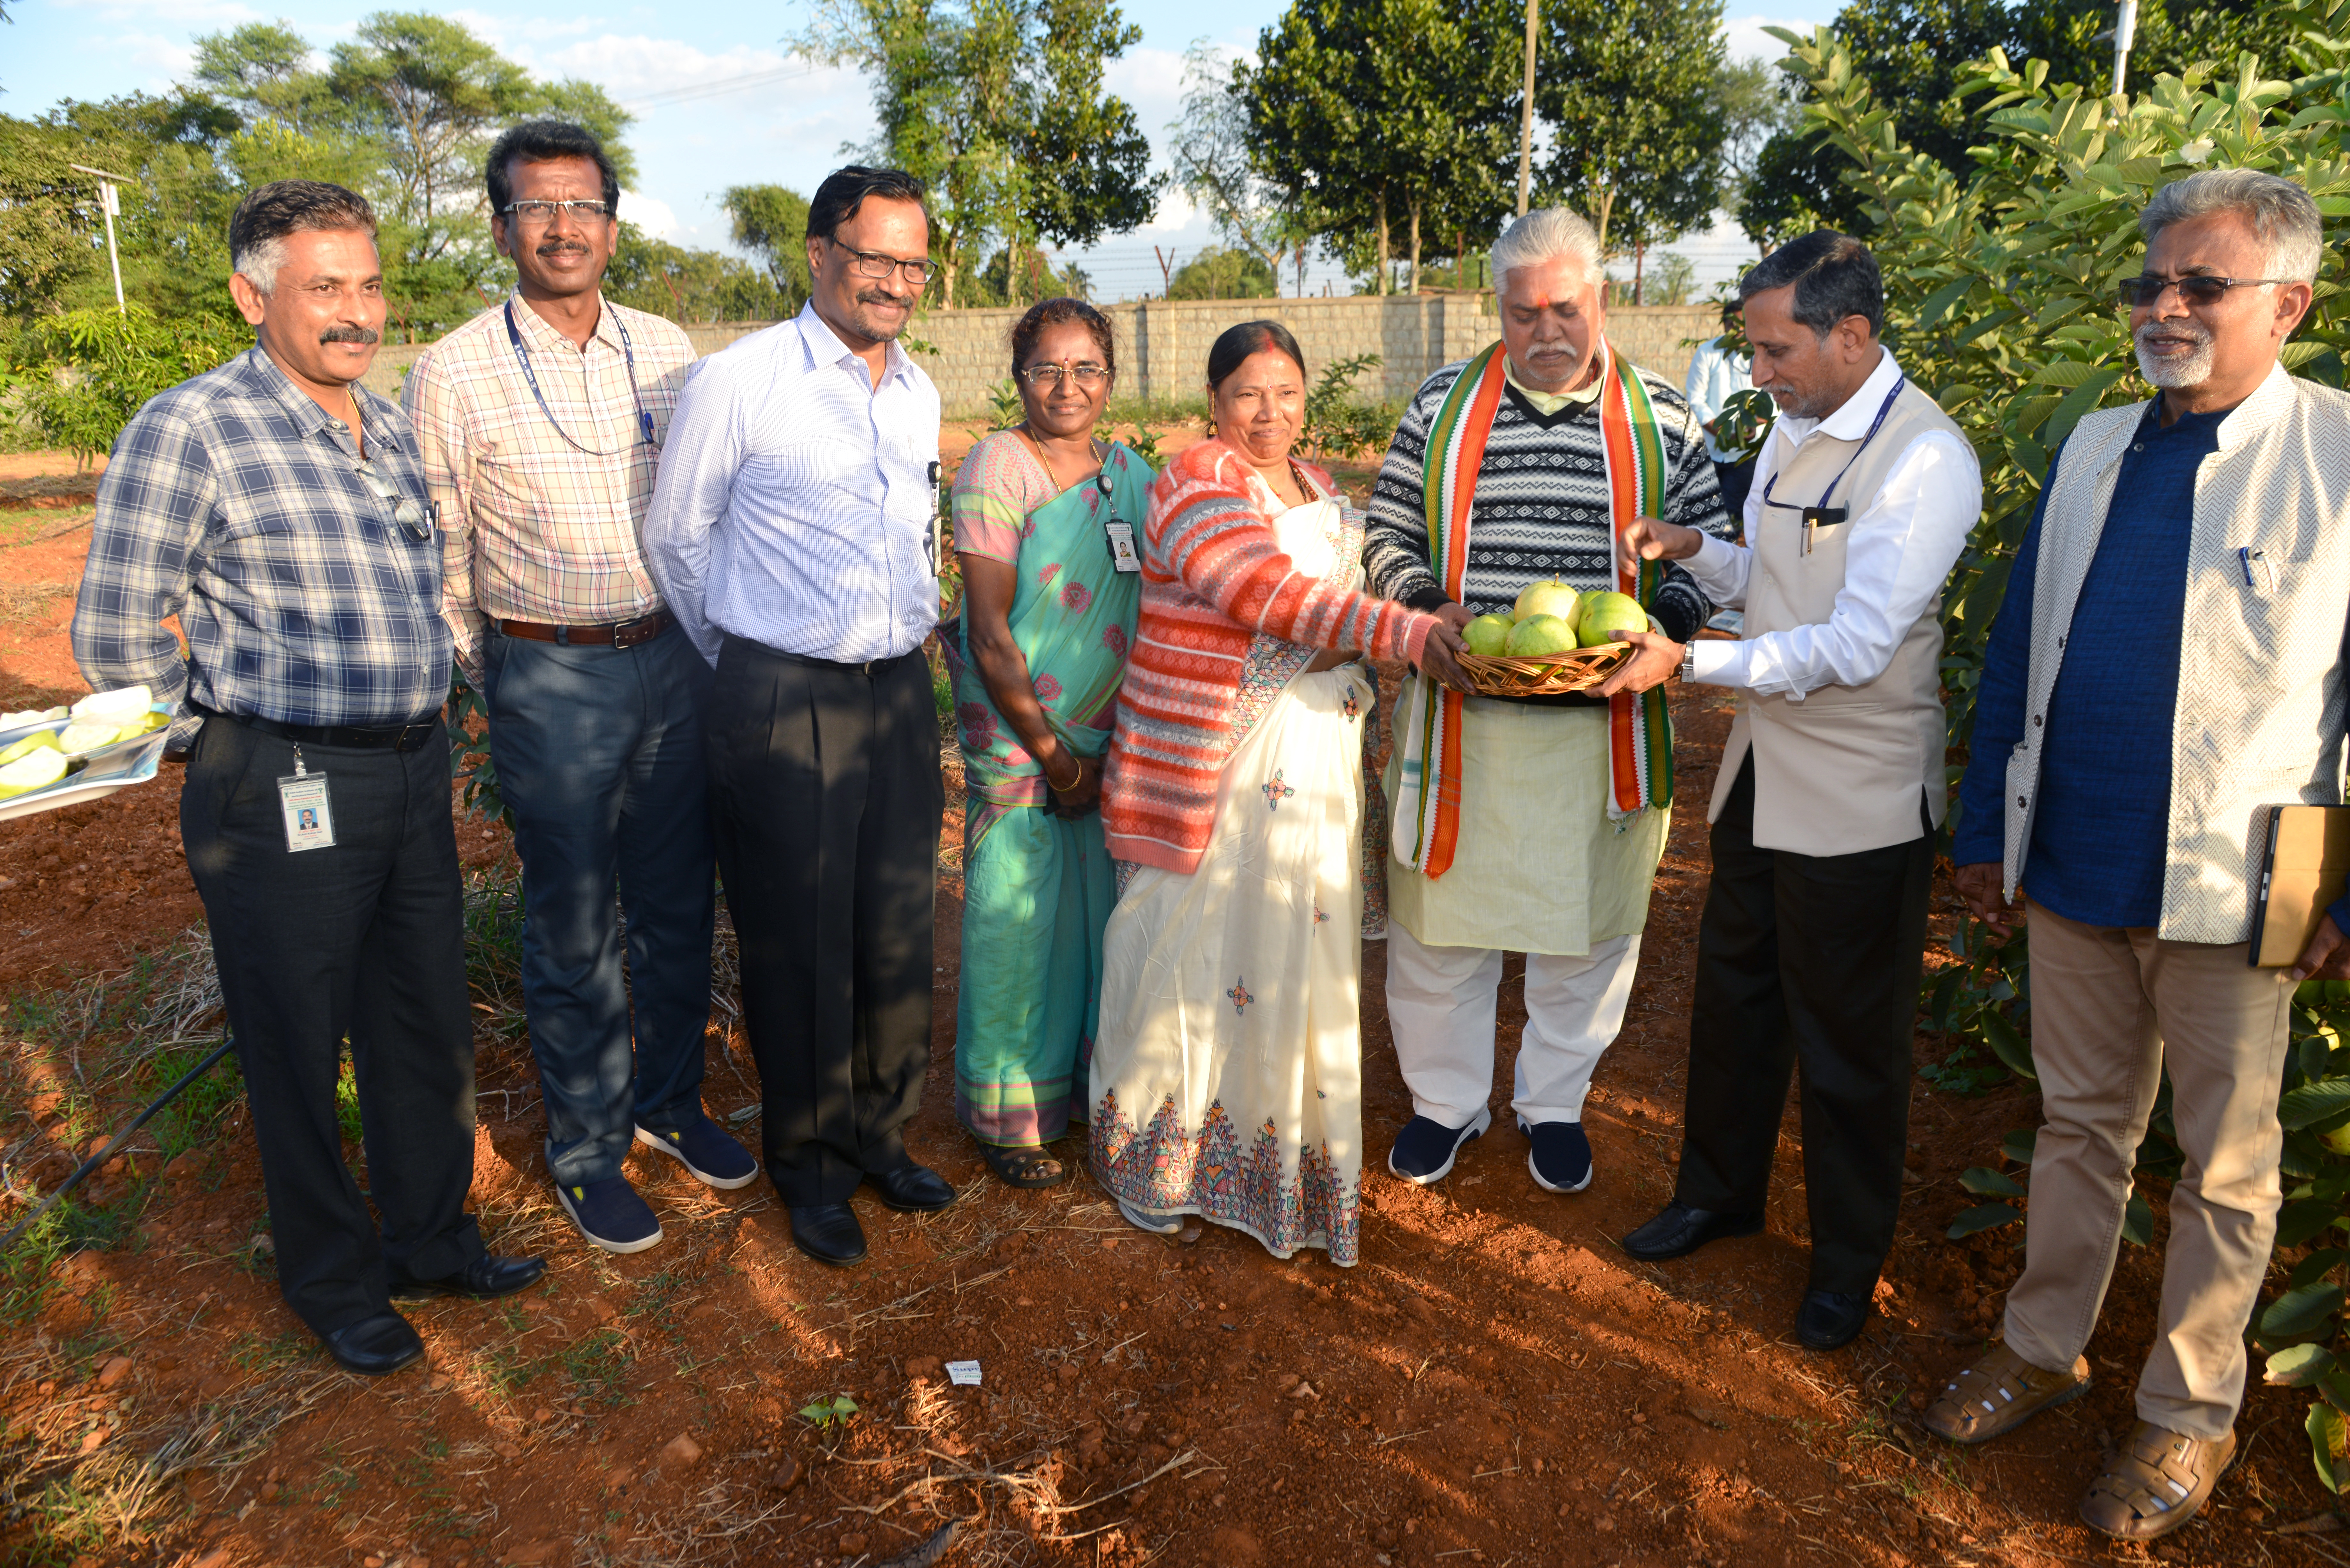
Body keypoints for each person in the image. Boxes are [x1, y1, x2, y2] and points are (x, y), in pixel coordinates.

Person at [1930, 170, 2350, 1542]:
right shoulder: (2098, 443)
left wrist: (2346, 895)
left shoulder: (2339, 454)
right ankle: (2041, 1345)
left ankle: (2188, 1413)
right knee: (2078, 1126)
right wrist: (1988, 827)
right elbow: (2020, 641)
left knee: (2227, 1165)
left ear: (2287, 304)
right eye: (2150, 281)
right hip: (2074, 855)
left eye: (2202, 285)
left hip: (2250, 878)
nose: (2164, 306)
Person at [71, 180, 543, 1377]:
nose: (357, 311)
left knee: (420, 1017)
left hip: (408, 765)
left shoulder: (384, 422)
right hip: (280, 775)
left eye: (370, 283)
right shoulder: (192, 428)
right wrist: (218, 735)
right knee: (295, 1031)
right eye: (324, 286)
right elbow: (115, 627)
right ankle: (334, 1279)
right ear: (252, 296)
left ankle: (432, 1239)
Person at [1610, 232, 1982, 1352]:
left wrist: (1691, 661)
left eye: (1775, 351)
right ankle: (1717, 1194)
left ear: (1850, 336)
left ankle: (1843, 1262)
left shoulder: (1922, 459)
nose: (1758, 371)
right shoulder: (1794, 425)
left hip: (1857, 794)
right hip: (1764, 773)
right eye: (1754, 349)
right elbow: (1776, 579)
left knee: (1847, 1041)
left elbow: (1857, 643)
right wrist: (1697, 549)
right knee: (1736, 999)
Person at [404, 121, 749, 1258]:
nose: (563, 226)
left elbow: (705, 504)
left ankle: (670, 1101)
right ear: (502, 225)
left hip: (669, 660)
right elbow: (440, 542)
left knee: (677, 903)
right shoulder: (452, 369)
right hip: (546, 670)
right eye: (538, 207)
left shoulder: (666, 349)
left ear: (612, 222)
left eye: (584, 206)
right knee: (574, 921)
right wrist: (494, 673)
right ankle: (589, 1149)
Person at [1364, 207, 1730, 1198]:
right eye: (1523, 314)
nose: (1545, 332)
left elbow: (1710, 552)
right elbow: (1386, 532)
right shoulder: (1441, 407)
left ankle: (1554, 1103)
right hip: (1465, 719)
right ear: (1498, 309)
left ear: (1600, 299)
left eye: (1564, 309)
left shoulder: (1664, 418)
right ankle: (1445, 1102)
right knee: (1441, 927)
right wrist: (1425, 608)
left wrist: (1663, 629)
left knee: (1589, 931)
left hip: (1599, 729)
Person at [1091, 319, 1472, 1263]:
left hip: (1318, 759)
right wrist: (1405, 634)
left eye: (1287, 392)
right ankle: (1154, 1164)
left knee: (1292, 951)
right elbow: (1262, 593)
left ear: (1306, 398)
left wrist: (1398, 623)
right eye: (1247, 394)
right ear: (1213, 402)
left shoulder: (1317, 485)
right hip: (1220, 763)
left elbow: (1336, 599)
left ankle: (1274, 1165)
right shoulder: (1196, 480)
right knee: (1192, 953)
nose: (1269, 412)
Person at [643, 166, 953, 1268]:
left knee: (897, 925)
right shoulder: (742, 380)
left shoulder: (916, 390)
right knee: (799, 941)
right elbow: (676, 538)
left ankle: (881, 1137)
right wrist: (751, 657)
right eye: (875, 258)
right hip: (782, 694)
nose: (895, 283)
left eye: (914, 264)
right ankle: (813, 1170)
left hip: (898, 690)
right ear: (819, 254)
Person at [944, 298, 1152, 1188]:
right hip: (1025, 743)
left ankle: (1078, 1092)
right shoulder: (999, 465)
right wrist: (1060, 762)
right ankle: (1008, 1118)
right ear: (1018, 377)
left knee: (1096, 921)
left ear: (1111, 378)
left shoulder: (1134, 476)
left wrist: (1104, 757)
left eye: (1087, 368)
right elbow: (990, 634)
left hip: (1109, 746)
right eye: (1047, 369)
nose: (1068, 387)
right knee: (1015, 921)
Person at [1684, 299, 1758, 517]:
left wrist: (1753, 426)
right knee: (1705, 512)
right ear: (1724, 325)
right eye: (1732, 324)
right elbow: (1695, 399)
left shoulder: (1761, 354)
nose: (1738, 330)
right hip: (1709, 450)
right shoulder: (1708, 352)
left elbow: (1772, 402)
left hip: (1746, 453)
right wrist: (1721, 432)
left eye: (1743, 324)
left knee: (1735, 515)